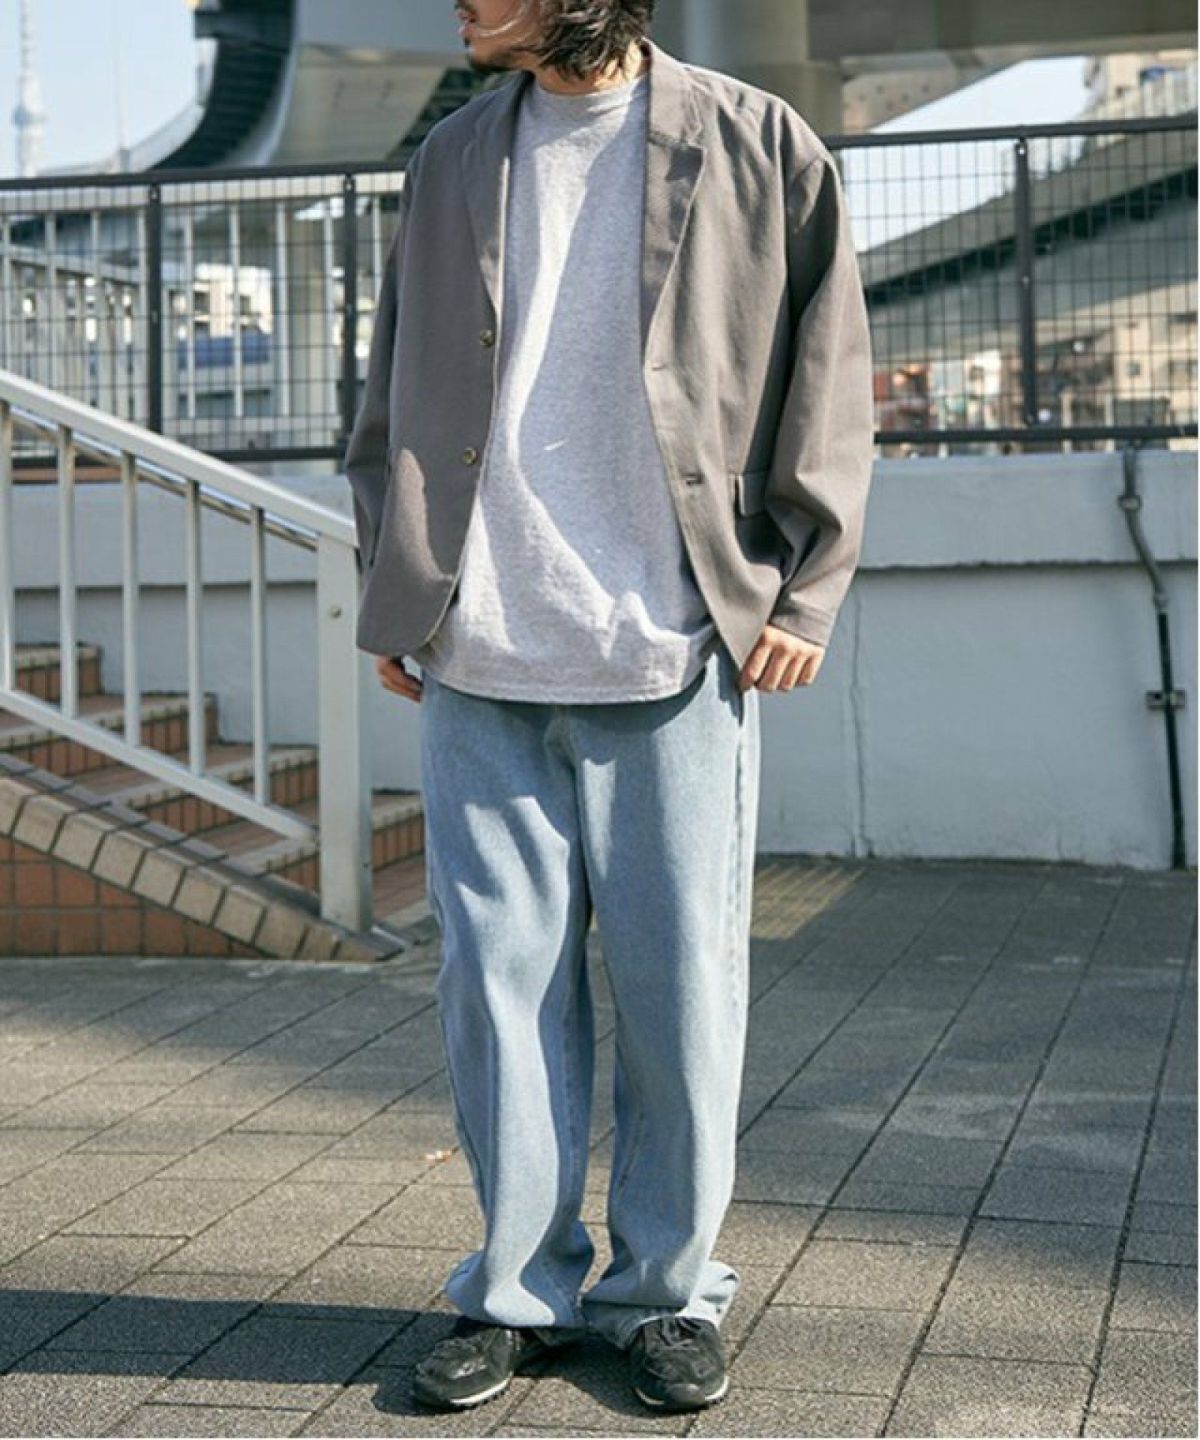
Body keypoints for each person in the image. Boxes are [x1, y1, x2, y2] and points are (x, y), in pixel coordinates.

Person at [342, 0, 874, 1415]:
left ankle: (663, 1293)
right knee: (494, 994)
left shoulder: (759, 142)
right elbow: (392, 381)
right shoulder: (455, 154)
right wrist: (397, 583)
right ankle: (518, 1291)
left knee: (680, 992)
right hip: (482, 645)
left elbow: (829, 373)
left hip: (675, 647)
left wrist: (804, 592)